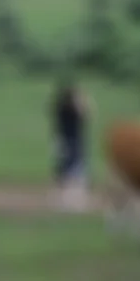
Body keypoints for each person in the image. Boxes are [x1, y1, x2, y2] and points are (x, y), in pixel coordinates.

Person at [51, 79, 92, 211]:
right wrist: (83, 98)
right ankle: (73, 200)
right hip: (73, 141)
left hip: (61, 141)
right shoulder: (72, 110)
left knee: (63, 169)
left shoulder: (59, 108)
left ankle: (61, 198)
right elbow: (87, 113)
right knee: (74, 169)